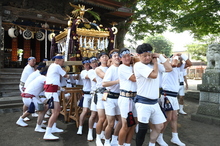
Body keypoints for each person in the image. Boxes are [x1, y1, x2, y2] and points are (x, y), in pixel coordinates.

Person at [133, 43, 172, 146]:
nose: (147, 58)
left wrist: (159, 56)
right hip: (143, 102)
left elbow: (169, 68)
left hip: (154, 102)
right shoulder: (138, 65)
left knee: (160, 126)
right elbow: (154, 75)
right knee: (142, 128)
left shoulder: (155, 65)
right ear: (138, 55)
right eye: (144, 55)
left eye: (149, 55)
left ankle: (151, 144)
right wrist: (155, 63)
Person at [157, 53, 191, 146]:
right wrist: (176, 56)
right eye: (175, 58)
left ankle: (175, 137)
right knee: (167, 118)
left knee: (174, 117)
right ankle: (159, 137)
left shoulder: (179, 67)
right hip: (166, 95)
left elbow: (189, 63)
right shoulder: (166, 66)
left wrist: (182, 55)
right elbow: (174, 64)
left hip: (173, 96)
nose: (177, 59)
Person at [43, 54, 69, 140]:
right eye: (62, 60)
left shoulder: (52, 66)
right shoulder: (57, 66)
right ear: (57, 60)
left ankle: (53, 127)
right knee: (56, 112)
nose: (63, 62)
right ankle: (47, 133)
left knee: (55, 111)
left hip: (52, 90)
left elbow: (55, 82)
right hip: (51, 92)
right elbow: (66, 75)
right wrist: (69, 73)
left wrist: (61, 89)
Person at [16, 66, 49, 132]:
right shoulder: (44, 78)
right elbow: (48, 87)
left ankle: (20, 120)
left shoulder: (41, 77)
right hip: (29, 97)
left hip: (29, 97)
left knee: (32, 110)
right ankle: (38, 127)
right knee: (42, 110)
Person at [118, 48, 137, 146]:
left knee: (133, 124)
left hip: (135, 98)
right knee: (126, 125)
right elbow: (134, 78)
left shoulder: (133, 66)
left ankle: (127, 144)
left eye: (128, 55)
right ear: (120, 59)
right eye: (124, 56)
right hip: (126, 98)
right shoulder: (122, 67)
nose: (127, 58)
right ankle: (120, 144)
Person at [102, 49, 122, 146]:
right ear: (111, 59)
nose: (117, 57)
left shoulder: (123, 68)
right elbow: (104, 83)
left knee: (121, 121)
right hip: (110, 98)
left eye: (119, 55)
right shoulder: (111, 69)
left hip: (120, 98)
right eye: (115, 56)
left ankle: (114, 139)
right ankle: (106, 141)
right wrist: (117, 81)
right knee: (110, 123)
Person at [95, 52, 109, 146]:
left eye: (106, 56)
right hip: (101, 94)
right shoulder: (98, 69)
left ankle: (103, 133)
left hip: (109, 94)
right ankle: (97, 137)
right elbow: (105, 77)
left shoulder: (110, 68)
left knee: (109, 118)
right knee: (101, 117)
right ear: (99, 59)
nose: (104, 58)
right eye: (102, 57)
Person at [77, 57, 92, 135]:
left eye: (89, 64)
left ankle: (93, 126)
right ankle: (80, 127)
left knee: (94, 112)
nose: (88, 66)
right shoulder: (83, 72)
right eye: (86, 65)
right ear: (83, 65)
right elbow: (88, 76)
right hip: (86, 94)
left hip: (93, 93)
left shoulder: (92, 71)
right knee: (85, 111)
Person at [19, 56, 36, 121]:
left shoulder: (31, 68)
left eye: (35, 61)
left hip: (27, 85)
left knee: (32, 99)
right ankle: (24, 114)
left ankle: (32, 111)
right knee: (26, 101)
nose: (34, 62)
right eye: (33, 61)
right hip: (24, 86)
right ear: (28, 61)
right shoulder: (28, 68)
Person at [87, 56, 99, 141]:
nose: (95, 63)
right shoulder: (91, 71)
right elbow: (96, 80)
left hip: (103, 93)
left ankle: (100, 132)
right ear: (90, 64)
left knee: (101, 115)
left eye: (96, 62)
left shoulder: (101, 69)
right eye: (93, 62)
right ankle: (90, 131)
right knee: (94, 114)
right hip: (95, 93)